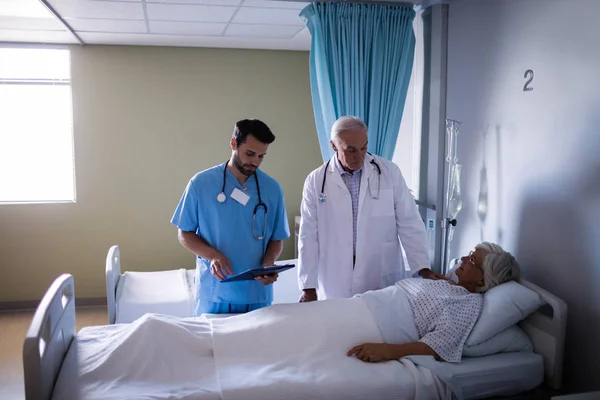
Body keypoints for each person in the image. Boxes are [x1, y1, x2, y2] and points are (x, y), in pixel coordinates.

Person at [297, 116, 444, 302]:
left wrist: (422, 268)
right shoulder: (316, 180)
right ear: (334, 146)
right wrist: (308, 286)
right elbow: (308, 235)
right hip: (335, 280)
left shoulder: (389, 172)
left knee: (381, 328)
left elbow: (410, 222)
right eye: (350, 149)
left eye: (364, 148)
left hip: (380, 277)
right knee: (340, 329)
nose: (359, 156)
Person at [170, 119, 290, 316]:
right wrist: (213, 256)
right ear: (233, 144)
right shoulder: (201, 183)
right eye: (250, 154)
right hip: (215, 290)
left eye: (261, 156)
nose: (255, 162)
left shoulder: (272, 189)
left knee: (257, 346)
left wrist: (268, 264)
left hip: (257, 293)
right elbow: (184, 233)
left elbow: (277, 239)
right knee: (211, 346)